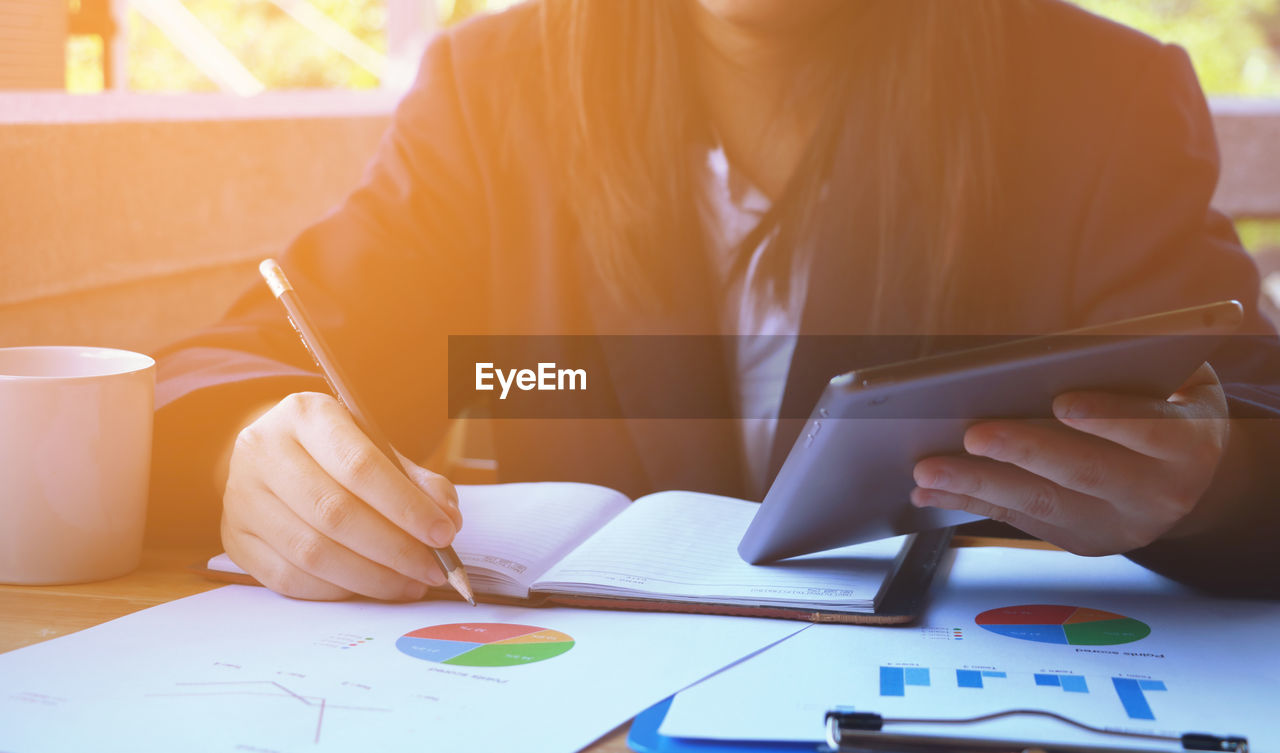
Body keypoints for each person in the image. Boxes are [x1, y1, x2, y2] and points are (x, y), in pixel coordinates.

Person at [150, 0, 1280, 601]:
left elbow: (1249, 412)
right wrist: (241, 449)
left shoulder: (1096, 98)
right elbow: (236, 363)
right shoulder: (495, 92)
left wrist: (1210, 484)